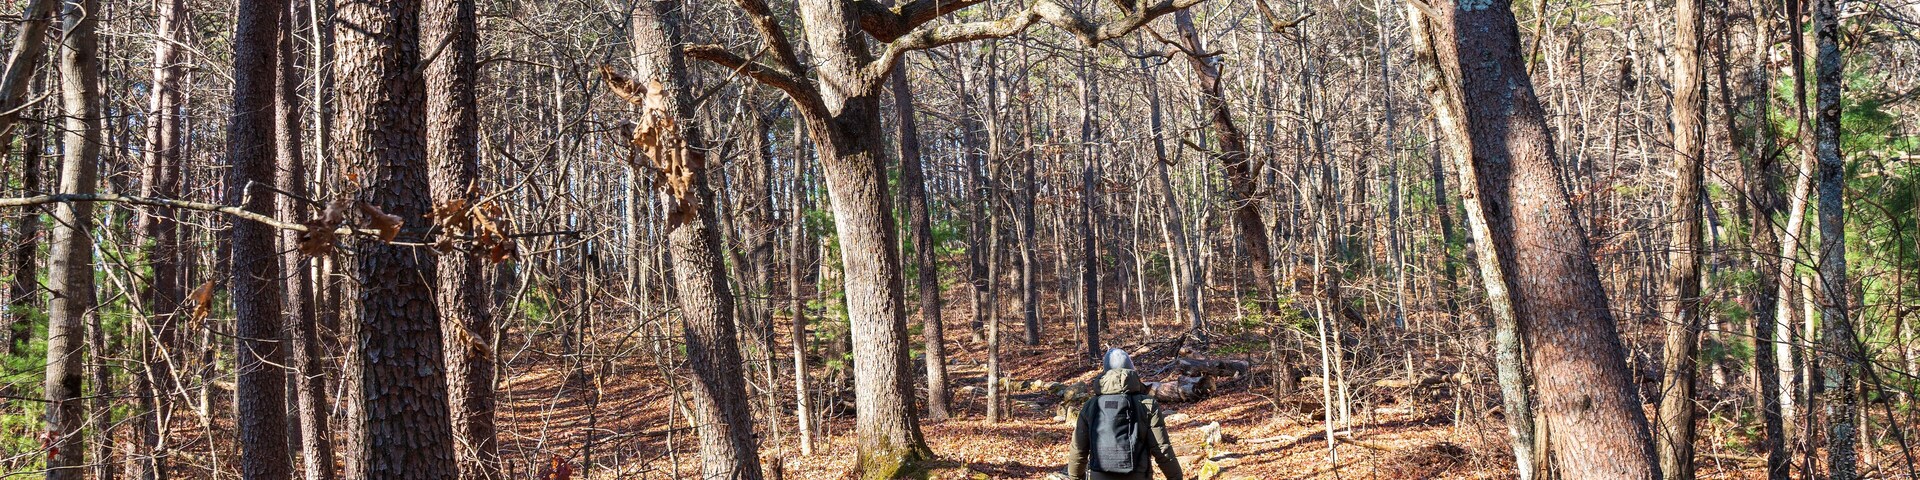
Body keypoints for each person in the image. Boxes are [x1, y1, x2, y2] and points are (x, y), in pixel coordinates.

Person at [1067, 349, 1182, 480]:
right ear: (1131, 369)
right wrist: (1176, 477)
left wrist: (1075, 477)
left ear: (1105, 371)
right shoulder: (1147, 404)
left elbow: (1078, 449)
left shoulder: (1090, 406)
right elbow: (1161, 448)